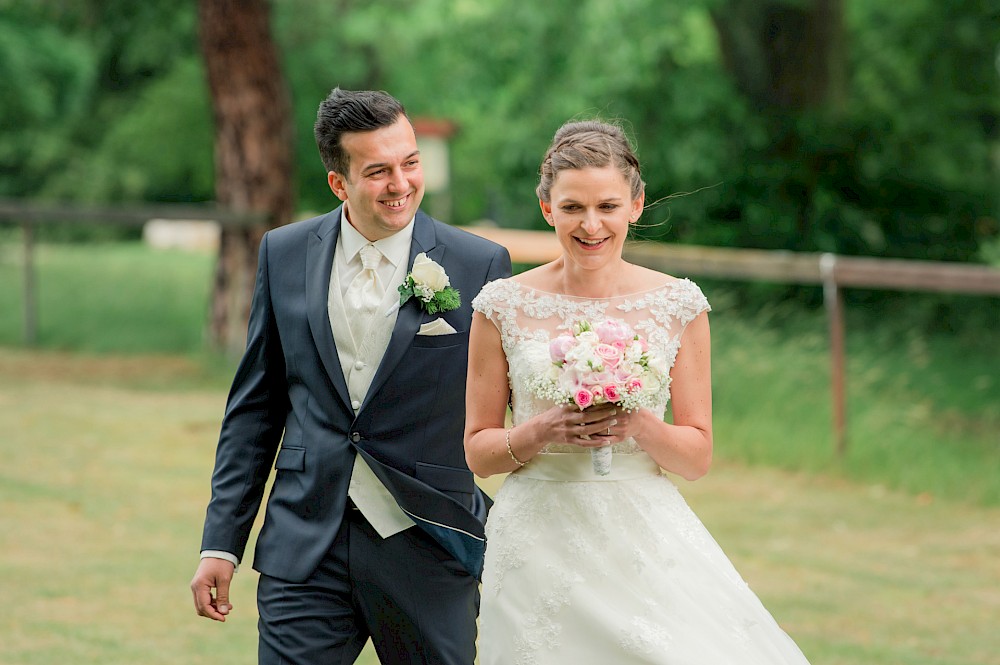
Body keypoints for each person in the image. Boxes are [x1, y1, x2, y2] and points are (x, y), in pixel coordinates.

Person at [465, 120, 811, 663]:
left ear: (636, 204)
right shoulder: (501, 305)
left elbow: (696, 458)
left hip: (641, 531)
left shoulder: (679, 304)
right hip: (537, 537)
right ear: (547, 208)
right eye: (573, 207)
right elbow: (478, 452)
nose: (591, 224)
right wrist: (540, 429)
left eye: (607, 205)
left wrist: (638, 425)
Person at [190, 87, 512, 665]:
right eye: (378, 171)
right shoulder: (283, 253)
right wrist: (222, 542)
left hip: (429, 542)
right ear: (339, 183)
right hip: (305, 540)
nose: (402, 183)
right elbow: (255, 409)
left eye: (410, 162)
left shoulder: (479, 264)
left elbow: (506, 403)